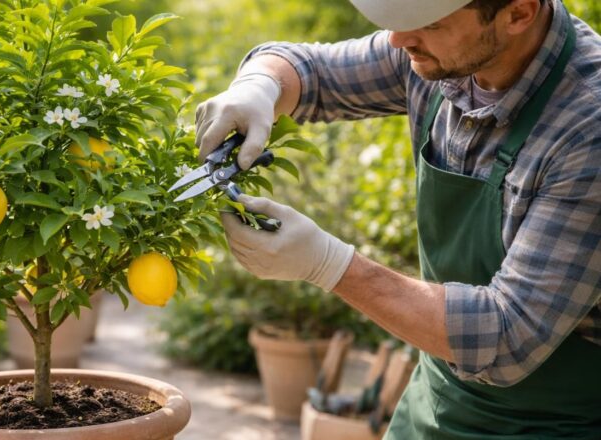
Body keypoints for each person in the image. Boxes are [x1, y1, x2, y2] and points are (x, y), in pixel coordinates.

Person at [195, 0, 601, 437]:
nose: (396, 40)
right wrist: (260, 86)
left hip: (551, 423)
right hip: (436, 397)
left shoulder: (587, 125)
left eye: (427, 24)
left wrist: (328, 264)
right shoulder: (438, 52)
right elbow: (311, 72)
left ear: (518, 13)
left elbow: (507, 337)